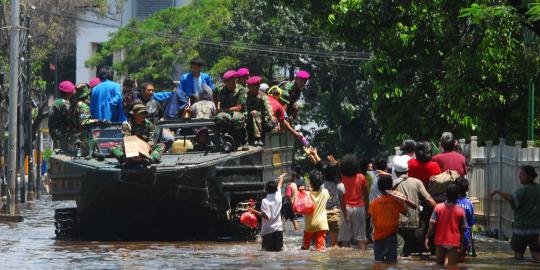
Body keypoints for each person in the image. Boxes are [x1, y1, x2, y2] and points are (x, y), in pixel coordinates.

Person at [490, 165, 540, 262]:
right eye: (520, 174)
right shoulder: (538, 188)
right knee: (537, 255)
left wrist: (497, 192)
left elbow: (512, 199)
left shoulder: (523, 190)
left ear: (530, 177)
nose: (519, 176)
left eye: (522, 174)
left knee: (518, 256)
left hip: (521, 229)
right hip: (536, 230)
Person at [392, 155, 437, 257]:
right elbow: (429, 200)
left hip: (397, 223)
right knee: (409, 249)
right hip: (413, 222)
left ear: (395, 172)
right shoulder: (417, 182)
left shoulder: (392, 184)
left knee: (400, 251)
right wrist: (440, 210)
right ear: (407, 170)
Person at [304, 146, 341, 246]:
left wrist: (314, 155)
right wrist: (314, 155)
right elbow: (322, 166)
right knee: (333, 246)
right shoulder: (339, 185)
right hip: (335, 213)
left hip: (322, 216)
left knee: (316, 244)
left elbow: (321, 166)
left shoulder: (322, 189)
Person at [369, 174, 409, 263]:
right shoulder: (396, 202)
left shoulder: (374, 203)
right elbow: (406, 212)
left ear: (379, 188)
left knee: (378, 263)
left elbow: (372, 220)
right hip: (391, 236)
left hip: (378, 237)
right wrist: (403, 200)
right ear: (391, 187)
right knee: (391, 262)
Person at [425, 184, 467, 266]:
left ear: (445, 195)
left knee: (439, 266)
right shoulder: (461, 211)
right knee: (452, 267)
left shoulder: (438, 208)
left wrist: (427, 237)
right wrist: (461, 243)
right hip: (454, 242)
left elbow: (431, 223)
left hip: (440, 240)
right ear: (457, 196)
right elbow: (463, 228)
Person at [337, 154, 369, 249]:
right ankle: (363, 260)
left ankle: (346, 262)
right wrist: (367, 209)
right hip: (360, 208)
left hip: (345, 208)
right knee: (361, 238)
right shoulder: (361, 177)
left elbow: (341, 198)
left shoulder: (341, 178)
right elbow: (366, 195)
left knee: (345, 239)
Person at [249, 173, 286, 251]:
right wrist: (281, 177)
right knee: (279, 253)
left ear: (266, 190)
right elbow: (279, 185)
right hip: (278, 230)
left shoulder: (265, 201)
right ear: (275, 189)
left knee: (267, 256)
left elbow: (267, 216)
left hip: (268, 232)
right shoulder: (278, 196)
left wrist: (253, 211)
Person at [215, 70, 248, 150]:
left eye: (230, 81)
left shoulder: (241, 90)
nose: (229, 84)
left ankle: (244, 141)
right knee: (218, 118)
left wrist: (225, 109)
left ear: (234, 80)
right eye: (227, 82)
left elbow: (239, 107)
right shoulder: (223, 91)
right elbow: (219, 105)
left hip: (239, 112)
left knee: (236, 118)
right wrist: (220, 109)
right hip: (227, 112)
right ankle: (223, 140)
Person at [302, 170, 330, 251]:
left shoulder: (307, 194)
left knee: (305, 248)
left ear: (310, 183)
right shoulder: (325, 192)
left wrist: (305, 188)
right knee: (320, 249)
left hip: (309, 224)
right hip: (321, 224)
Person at [245, 76, 274, 146]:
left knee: (254, 113)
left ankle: (257, 138)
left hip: (261, 116)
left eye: (257, 86)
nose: (256, 88)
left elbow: (268, 106)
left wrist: (271, 116)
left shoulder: (262, 95)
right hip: (248, 116)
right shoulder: (246, 95)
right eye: (252, 87)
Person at [48, 81, 76, 146]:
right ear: (67, 93)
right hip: (62, 134)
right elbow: (70, 118)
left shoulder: (57, 101)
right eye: (71, 92)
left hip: (56, 133)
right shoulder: (64, 103)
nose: (72, 94)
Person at [455, 176, 475, 258]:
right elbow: (471, 225)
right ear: (467, 189)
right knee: (462, 261)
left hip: (451, 237)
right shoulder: (469, 204)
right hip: (464, 238)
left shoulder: (449, 202)